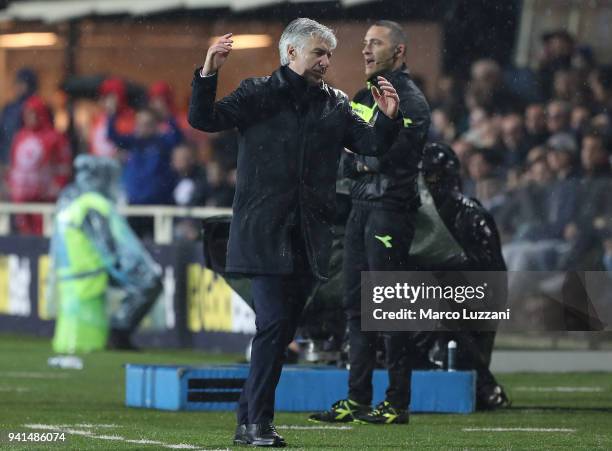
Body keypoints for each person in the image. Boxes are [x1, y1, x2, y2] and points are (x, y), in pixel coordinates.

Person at [188, 18, 402, 447]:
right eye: (317, 52)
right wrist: (209, 71)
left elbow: (372, 145)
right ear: (290, 53)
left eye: (328, 53)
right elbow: (204, 118)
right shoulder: (256, 94)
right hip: (264, 232)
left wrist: (389, 119)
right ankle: (256, 424)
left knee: (282, 330)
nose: (326, 61)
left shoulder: (336, 105)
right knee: (273, 326)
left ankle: (246, 417)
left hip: (309, 237)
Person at [310, 20, 430, 426]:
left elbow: (386, 157)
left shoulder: (411, 101)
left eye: (375, 44)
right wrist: (362, 158)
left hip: (390, 210)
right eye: (364, 43)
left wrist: (362, 158)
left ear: (398, 52)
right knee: (356, 306)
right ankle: (357, 398)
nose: (365, 50)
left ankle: (398, 403)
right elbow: (355, 155)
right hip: (362, 208)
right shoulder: (364, 95)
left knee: (390, 307)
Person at [412, 142, 509, 410]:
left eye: (432, 177)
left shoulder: (472, 214)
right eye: (424, 177)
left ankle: (485, 383)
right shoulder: (417, 216)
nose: (428, 184)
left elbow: (491, 272)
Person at [50, 155, 162, 354]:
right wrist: (126, 269)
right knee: (150, 282)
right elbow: (108, 248)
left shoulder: (71, 200)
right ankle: (119, 333)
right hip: (91, 272)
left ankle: (114, 334)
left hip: (71, 273)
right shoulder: (93, 204)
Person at [108, 106, 182, 238]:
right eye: (139, 124)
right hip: (136, 206)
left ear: (155, 125)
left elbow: (178, 137)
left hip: (158, 206)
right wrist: (112, 114)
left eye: (147, 124)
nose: (142, 128)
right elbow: (112, 136)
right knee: (134, 246)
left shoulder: (162, 143)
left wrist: (169, 116)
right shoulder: (133, 142)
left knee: (161, 247)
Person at [7, 95, 72, 235]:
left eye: (33, 113)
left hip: (45, 198)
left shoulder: (55, 137)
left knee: (44, 234)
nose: (30, 117)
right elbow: (14, 164)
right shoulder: (20, 136)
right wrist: (12, 186)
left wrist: (56, 187)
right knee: (23, 236)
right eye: (27, 114)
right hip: (21, 198)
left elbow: (63, 167)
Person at [0, 68, 38, 172]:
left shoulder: (38, 107)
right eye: (17, 83)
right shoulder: (9, 108)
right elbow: (3, 134)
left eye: (21, 83)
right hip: (8, 160)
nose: (17, 87)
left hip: (29, 160)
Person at [89, 77, 135, 158]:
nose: (107, 101)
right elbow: (94, 145)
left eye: (110, 97)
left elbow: (121, 142)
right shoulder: (98, 118)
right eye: (105, 97)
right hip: (99, 164)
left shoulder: (128, 117)